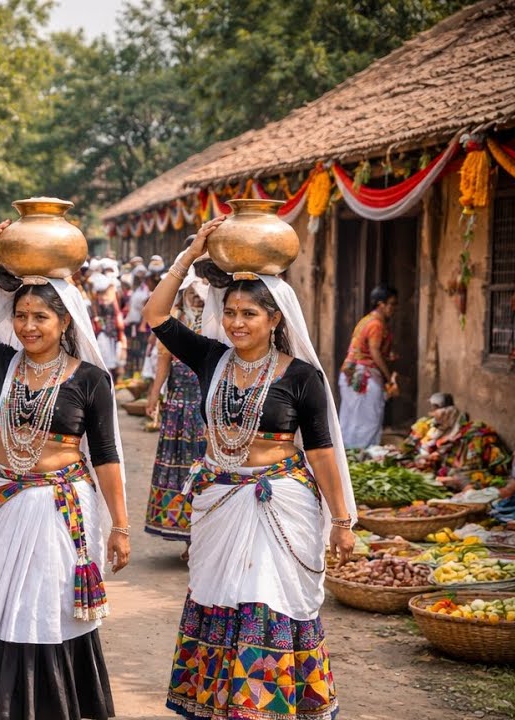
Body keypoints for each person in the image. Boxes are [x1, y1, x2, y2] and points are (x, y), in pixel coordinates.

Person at [145, 217, 356, 720]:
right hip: (219, 499)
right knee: (221, 598)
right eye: (230, 312)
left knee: (265, 599)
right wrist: (190, 254)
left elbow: (321, 451)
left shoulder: (301, 377)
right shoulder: (210, 358)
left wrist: (342, 520)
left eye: (249, 314)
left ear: (275, 318)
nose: (236, 323)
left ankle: (262, 709)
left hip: (279, 502)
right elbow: (156, 314)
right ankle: (219, 705)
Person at [0, 220, 130, 720]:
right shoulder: (0, 361)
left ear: (65, 322)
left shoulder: (90, 379)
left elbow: (105, 455)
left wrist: (120, 527)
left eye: (41, 317)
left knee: (44, 607)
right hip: (2, 500)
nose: (28, 326)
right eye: (20, 315)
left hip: (58, 508)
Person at [143, 269, 208, 548]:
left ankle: (203, 535)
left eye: (200, 295)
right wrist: (153, 395)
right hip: (179, 405)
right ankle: (187, 538)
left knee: (203, 466)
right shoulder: (174, 321)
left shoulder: (216, 322)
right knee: (181, 468)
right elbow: (163, 362)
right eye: (192, 294)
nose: (197, 299)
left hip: (204, 407)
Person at [337, 285, 399, 448]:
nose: (394, 308)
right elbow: (374, 352)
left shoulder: (367, 320)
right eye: (391, 304)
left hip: (353, 374)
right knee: (368, 419)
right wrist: (389, 378)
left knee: (352, 418)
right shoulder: (376, 324)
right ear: (381, 304)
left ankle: (350, 455)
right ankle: (360, 454)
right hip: (363, 376)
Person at [399, 393, 512, 480]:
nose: (433, 413)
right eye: (433, 408)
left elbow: (465, 467)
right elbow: (408, 449)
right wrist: (420, 459)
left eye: (436, 408)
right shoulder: (430, 426)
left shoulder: (467, 433)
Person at [91, 273, 125, 381]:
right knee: (105, 363)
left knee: (111, 362)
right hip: (103, 337)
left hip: (111, 336)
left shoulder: (111, 304)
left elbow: (118, 323)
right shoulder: (96, 304)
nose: (104, 296)